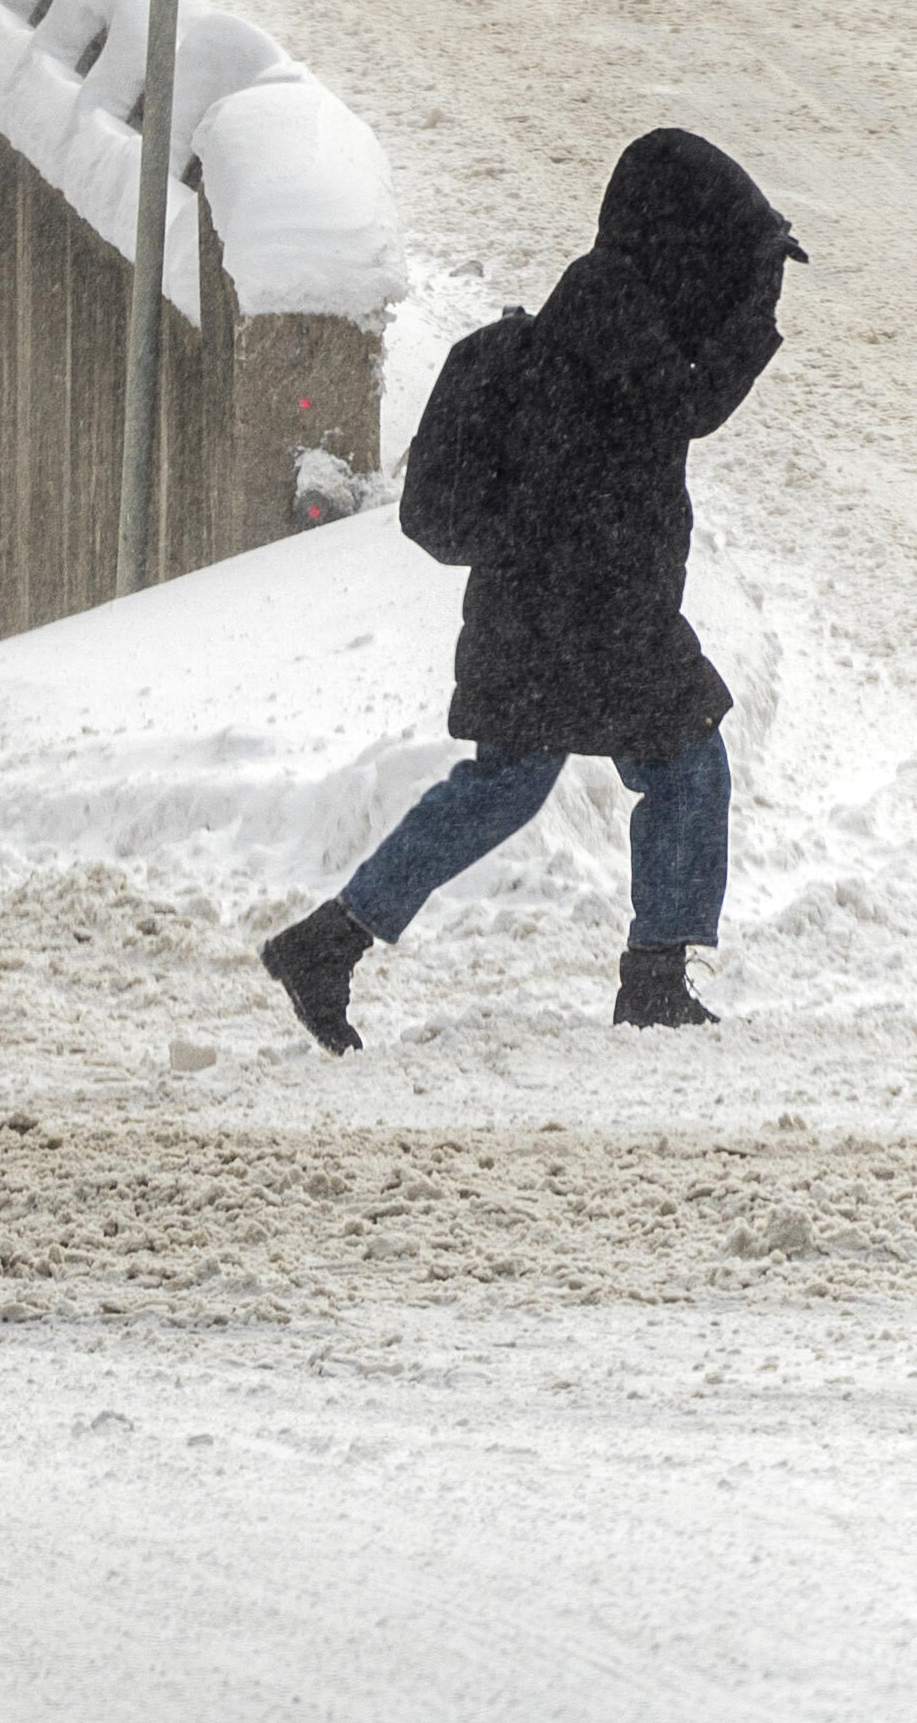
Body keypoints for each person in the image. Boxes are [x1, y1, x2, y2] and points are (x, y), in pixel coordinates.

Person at [264, 127, 801, 1052]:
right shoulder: (633, 331)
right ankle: (655, 978)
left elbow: (453, 511)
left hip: (532, 612)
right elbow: (696, 403)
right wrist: (758, 285)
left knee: (504, 787)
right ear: (678, 244)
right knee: (685, 763)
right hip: (605, 614)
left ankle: (330, 942)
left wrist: (529, 546)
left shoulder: (552, 330)